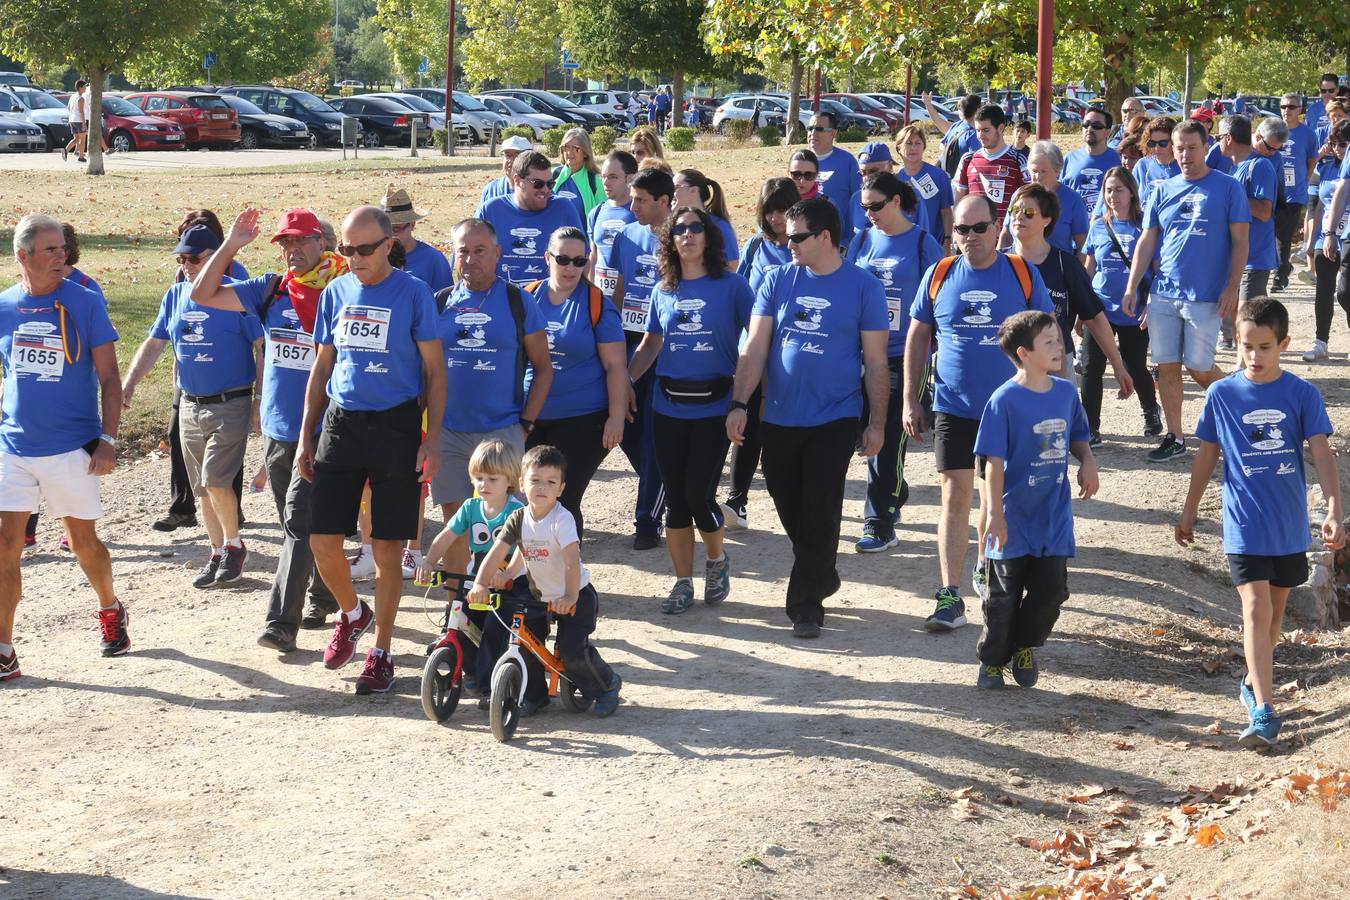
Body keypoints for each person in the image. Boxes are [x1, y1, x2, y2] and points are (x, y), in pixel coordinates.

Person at [1177, 297, 1344, 750]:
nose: (1253, 356)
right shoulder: (1222, 394)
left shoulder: (1302, 395)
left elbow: (1322, 455)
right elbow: (1207, 454)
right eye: (1245, 346)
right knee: (1256, 608)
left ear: (1284, 344)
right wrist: (1191, 509)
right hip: (1243, 522)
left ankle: (1254, 681)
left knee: (1273, 612)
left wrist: (1333, 509)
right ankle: (1265, 710)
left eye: (1264, 347)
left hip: (1288, 525)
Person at [299, 205, 446, 695]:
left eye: (364, 248)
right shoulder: (336, 291)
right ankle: (352, 612)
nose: (355, 257)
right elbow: (321, 368)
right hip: (342, 423)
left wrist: (433, 439)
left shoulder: (414, 293)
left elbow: (436, 372)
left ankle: (380, 650)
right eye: (346, 248)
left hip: (397, 425)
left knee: (386, 548)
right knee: (322, 538)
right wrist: (306, 435)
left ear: (388, 245)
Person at [727, 197, 889, 639]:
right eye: (785, 235)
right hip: (778, 415)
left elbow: (875, 362)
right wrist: (739, 403)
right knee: (786, 500)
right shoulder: (776, 279)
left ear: (824, 237)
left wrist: (876, 423)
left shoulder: (864, 287)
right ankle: (822, 570)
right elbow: (755, 346)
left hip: (836, 416)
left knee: (819, 506)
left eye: (797, 236)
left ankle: (805, 604)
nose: (787, 242)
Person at [186, 207, 348, 648]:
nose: (292, 251)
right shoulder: (273, 289)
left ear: (321, 242)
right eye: (285, 243)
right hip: (279, 428)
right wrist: (232, 244)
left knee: (298, 521)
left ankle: (281, 622)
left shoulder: (345, 287)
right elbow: (201, 293)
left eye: (300, 241)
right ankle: (324, 592)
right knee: (299, 523)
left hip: (324, 427)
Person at [904, 195, 1057, 632]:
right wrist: (910, 400)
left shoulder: (1022, 273)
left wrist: (1051, 397)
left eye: (978, 228)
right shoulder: (940, 274)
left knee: (997, 498)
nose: (969, 237)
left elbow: (1047, 335)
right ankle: (950, 595)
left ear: (997, 228)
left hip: (1008, 406)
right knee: (955, 494)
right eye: (961, 230)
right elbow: (918, 336)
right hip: (952, 403)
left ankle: (987, 572)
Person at [0, 214, 126, 681]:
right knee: (5, 545)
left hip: (71, 448)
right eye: (50, 250)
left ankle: (110, 607)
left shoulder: (84, 303)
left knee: (82, 543)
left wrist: (108, 441)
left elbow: (110, 379)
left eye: (63, 249)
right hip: (13, 447)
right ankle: (4, 648)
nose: (61, 256)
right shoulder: (5, 306)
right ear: (23, 257)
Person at [122, 225, 263, 588]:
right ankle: (216, 552)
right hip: (189, 404)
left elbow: (262, 349)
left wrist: (260, 399)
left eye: (194, 259)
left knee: (216, 480)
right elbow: (154, 344)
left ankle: (233, 546)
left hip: (230, 401)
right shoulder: (175, 295)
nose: (186, 265)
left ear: (217, 259)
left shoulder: (235, 298)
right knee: (201, 489)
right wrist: (129, 383)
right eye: (182, 259)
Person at [629, 207, 751, 614]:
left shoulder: (732, 286)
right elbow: (650, 344)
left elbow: (755, 339)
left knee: (699, 494)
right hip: (667, 406)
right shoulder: (664, 289)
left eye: (696, 228)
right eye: (679, 230)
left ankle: (716, 560)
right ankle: (682, 582)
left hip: (715, 405)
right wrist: (624, 384)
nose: (688, 235)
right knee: (676, 502)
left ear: (709, 236)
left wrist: (746, 398)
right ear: (670, 241)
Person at [973, 310, 1097, 689]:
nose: (1059, 346)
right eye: (1049, 342)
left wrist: (1088, 461)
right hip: (1013, 518)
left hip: (1053, 516)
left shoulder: (1064, 392)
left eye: (1059, 339)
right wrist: (994, 515)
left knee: (1052, 591)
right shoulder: (1003, 400)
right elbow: (992, 463)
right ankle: (993, 661)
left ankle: (1024, 645)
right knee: (1002, 598)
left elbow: (1078, 435)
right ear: (1024, 354)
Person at [1124, 119, 1250, 463]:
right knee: (1167, 366)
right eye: (1178, 148)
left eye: (1191, 148)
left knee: (1199, 366)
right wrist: (1133, 285)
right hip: (1164, 293)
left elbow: (1240, 242)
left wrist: (1232, 287)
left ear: (1205, 147)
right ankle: (1175, 436)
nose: (1184, 154)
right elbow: (1147, 241)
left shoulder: (1227, 188)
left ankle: (1244, 406)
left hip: (1206, 296)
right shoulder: (1161, 189)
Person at [433, 218, 553, 573]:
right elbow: (424, 370)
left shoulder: (519, 302)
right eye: (463, 252)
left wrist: (525, 424)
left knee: (508, 525)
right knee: (456, 523)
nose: (471, 259)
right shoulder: (439, 303)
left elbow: (543, 367)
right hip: (449, 432)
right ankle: (458, 613)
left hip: (502, 430)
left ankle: (508, 606)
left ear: (498, 253)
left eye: (480, 250)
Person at [468, 444, 623, 716]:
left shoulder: (561, 520)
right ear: (521, 484)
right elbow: (505, 551)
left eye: (551, 482)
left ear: (561, 488)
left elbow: (571, 561)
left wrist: (570, 596)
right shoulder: (518, 517)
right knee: (525, 641)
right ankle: (535, 696)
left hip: (575, 594)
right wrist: (483, 582)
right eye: (535, 481)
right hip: (537, 595)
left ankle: (605, 684)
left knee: (573, 651)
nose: (542, 487)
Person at [846, 173, 944, 553]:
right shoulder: (861, 240)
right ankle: (895, 491)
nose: (869, 213)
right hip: (863, 354)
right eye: (864, 206)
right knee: (861, 433)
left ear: (896, 202)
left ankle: (879, 522)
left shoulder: (923, 242)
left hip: (906, 355)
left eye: (875, 206)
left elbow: (938, 298)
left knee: (887, 442)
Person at [416, 439, 542, 710]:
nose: (483, 485)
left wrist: (507, 573)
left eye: (492, 479)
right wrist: (428, 561)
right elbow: (446, 536)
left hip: (512, 581)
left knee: (496, 630)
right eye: (478, 478)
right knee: (461, 621)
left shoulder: (516, 512)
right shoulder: (470, 509)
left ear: (509, 480)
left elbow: (523, 551)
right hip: (478, 577)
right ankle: (471, 670)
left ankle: (489, 687)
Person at [523, 227, 628, 537]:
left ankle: (569, 579)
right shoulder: (527, 297)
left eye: (579, 261)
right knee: (528, 498)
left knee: (563, 499)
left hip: (583, 417)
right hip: (530, 416)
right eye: (563, 259)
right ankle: (531, 575)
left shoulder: (596, 304)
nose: (571, 268)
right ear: (547, 258)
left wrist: (617, 417)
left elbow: (616, 365)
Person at [721, 176, 799, 531]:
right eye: (770, 211)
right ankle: (737, 500)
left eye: (782, 210)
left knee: (782, 425)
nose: (776, 219)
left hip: (790, 355)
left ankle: (796, 494)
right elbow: (740, 296)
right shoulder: (754, 247)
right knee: (745, 420)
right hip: (753, 351)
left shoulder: (805, 248)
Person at [1007, 183, 1135, 394]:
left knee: (1060, 424)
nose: (1019, 216)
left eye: (1028, 212)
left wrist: (1118, 366)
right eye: (1014, 210)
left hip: (1055, 363)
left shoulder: (1064, 263)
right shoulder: (998, 262)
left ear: (1046, 220)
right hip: (1008, 361)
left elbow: (1094, 317)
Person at [608, 168, 674, 549]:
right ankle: (663, 481)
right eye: (631, 199)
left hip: (664, 346)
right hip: (631, 341)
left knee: (651, 433)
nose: (632, 206)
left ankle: (647, 520)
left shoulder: (680, 236)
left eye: (641, 200)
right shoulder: (626, 234)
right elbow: (618, 290)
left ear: (665, 201)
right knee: (627, 426)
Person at [1080, 167, 1162, 440]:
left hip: (1134, 310)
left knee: (1135, 364)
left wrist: (1151, 304)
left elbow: (1157, 270)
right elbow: (1088, 270)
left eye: (1118, 189)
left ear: (1131, 192)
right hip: (1100, 307)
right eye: (1108, 190)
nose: (1112, 195)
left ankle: (1150, 410)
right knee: (1092, 367)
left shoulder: (1145, 227)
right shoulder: (1098, 226)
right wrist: (1082, 308)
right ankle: (1090, 425)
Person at [475, 151, 585, 285]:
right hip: (502, 300)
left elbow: (583, 259)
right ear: (517, 180)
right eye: (538, 184)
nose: (545, 190)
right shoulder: (491, 210)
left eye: (550, 184)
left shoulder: (563, 209)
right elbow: (470, 257)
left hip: (548, 301)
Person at [1218, 115, 1280, 350]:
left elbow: (1265, 211)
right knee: (1239, 316)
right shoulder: (1232, 168)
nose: (1217, 142)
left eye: (1219, 137)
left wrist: (1232, 197)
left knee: (1247, 318)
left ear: (1229, 138)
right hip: (1234, 256)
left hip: (1255, 257)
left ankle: (1246, 369)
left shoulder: (1260, 165)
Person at [1303, 120, 1350, 361]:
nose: (1338, 148)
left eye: (1343, 143)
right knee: (1324, 289)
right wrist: (1311, 241)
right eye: (1334, 143)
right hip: (1327, 234)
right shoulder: (1326, 167)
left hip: (1348, 235)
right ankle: (1321, 341)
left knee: (1345, 292)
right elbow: (1316, 206)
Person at [1005, 141, 1088, 254]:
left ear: (1057, 171)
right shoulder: (1019, 195)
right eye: (1034, 171)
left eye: (1043, 171)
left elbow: (1082, 245)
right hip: (1019, 266)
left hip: (1057, 267)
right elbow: (1006, 235)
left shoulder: (1072, 200)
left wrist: (1078, 271)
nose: (1038, 177)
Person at [954, 103, 1026, 224]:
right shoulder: (968, 160)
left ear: (1001, 128)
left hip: (1006, 238)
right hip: (974, 236)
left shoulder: (1018, 160)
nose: (980, 136)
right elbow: (958, 200)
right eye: (978, 130)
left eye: (986, 130)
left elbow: (1029, 200)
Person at [1274, 95, 1318, 293]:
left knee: (1284, 235)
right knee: (1271, 234)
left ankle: (1279, 276)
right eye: (1283, 106)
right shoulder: (1272, 129)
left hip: (1295, 193)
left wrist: (1303, 181)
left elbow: (1312, 161)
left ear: (1300, 109)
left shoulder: (1308, 134)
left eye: (1291, 106)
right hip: (1271, 191)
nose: (1286, 110)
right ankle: (1283, 267)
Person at [844, 141, 928, 239]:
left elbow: (923, 237)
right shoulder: (856, 199)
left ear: (890, 166)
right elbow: (850, 238)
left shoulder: (911, 195)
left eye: (873, 171)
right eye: (862, 173)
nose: (867, 178)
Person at [894, 122, 956, 253]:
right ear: (899, 147)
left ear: (923, 147)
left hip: (933, 245)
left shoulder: (939, 176)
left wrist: (948, 239)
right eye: (908, 143)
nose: (913, 148)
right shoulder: (894, 180)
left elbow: (946, 211)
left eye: (918, 143)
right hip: (903, 245)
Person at [382, 186, 452, 293]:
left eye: (395, 229)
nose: (389, 235)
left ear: (412, 224)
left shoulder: (434, 260)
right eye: (384, 228)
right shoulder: (373, 255)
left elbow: (444, 301)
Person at [587, 149, 638, 297]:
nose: (605, 183)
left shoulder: (640, 213)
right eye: (603, 177)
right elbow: (593, 256)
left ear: (630, 178)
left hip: (632, 301)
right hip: (601, 301)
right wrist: (590, 294)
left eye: (613, 177)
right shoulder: (595, 213)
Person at [807, 111, 864, 242]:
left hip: (838, 240)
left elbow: (858, 201)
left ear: (833, 133)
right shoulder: (800, 160)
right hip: (805, 240)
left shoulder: (847, 161)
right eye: (810, 128)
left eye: (819, 129)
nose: (813, 133)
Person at [672, 168, 738, 268]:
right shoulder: (670, 224)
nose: (670, 192)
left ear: (693, 191)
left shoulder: (720, 227)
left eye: (675, 188)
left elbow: (732, 265)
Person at [1061, 108, 1122, 209]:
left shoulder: (1118, 160)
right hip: (1074, 222)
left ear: (1107, 132)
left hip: (1106, 223)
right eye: (1086, 125)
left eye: (1096, 126)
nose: (1089, 129)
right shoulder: (1068, 159)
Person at [553, 128, 603, 219]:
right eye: (566, 147)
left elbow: (602, 217)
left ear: (585, 153)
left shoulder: (595, 181)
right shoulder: (553, 175)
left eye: (576, 148)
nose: (569, 152)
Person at [1132, 116, 1181, 196]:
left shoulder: (1183, 166)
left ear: (1174, 142)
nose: (1157, 148)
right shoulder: (1142, 165)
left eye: (1163, 143)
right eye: (1152, 143)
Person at [479, 135, 533, 207]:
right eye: (508, 155)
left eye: (517, 156)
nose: (510, 160)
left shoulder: (539, 188)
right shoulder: (492, 189)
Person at [63, 80, 87, 163]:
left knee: (76, 139)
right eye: (84, 87)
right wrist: (84, 123)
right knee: (82, 139)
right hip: (79, 121)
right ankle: (81, 157)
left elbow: (68, 108)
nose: (85, 88)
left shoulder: (72, 96)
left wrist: (72, 115)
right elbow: (81, 112)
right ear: (80, 88)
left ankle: (66, 150)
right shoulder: (81, 99)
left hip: (72, 120)